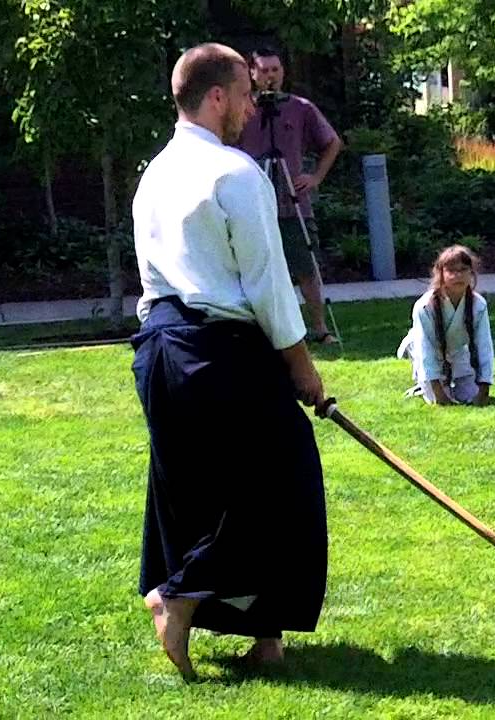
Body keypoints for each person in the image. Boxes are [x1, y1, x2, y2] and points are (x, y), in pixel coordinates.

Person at [131, 42, 329, 680]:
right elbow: (268, 283)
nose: (251, 106)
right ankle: (179, 594)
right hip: (219, 350)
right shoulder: (235, 174)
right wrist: (301, 364)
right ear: (216, 96)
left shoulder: (153, 173)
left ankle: (263, 640)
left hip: (162, 350)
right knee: (284, 487)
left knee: (205, 493)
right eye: (244, 93)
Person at [237, 46, 344, 344]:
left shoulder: (300, 108)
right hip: (253, 203)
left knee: (305, 266)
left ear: (282, 72)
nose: (270, 76)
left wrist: (315, 177)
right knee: (256, 268)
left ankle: (320, 328)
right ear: (253, 74)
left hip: (292, 202)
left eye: (275, 70)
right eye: (264, 70)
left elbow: (333, 142)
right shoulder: (242, 109)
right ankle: (259, 331)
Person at [397, 245, 495, 406]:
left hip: (457, 352)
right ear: (441, 275)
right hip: (430, 353)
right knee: (439, 399)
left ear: (471, 273)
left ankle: (449, 383)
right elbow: (425, 350)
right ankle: (423, 386)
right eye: (451, 271)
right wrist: (438, 392)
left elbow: (484, 346)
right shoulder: (424, 306)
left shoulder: (478, 304)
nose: (458, 275)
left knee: (470, 395)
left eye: (463, 269)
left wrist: (484, 387)